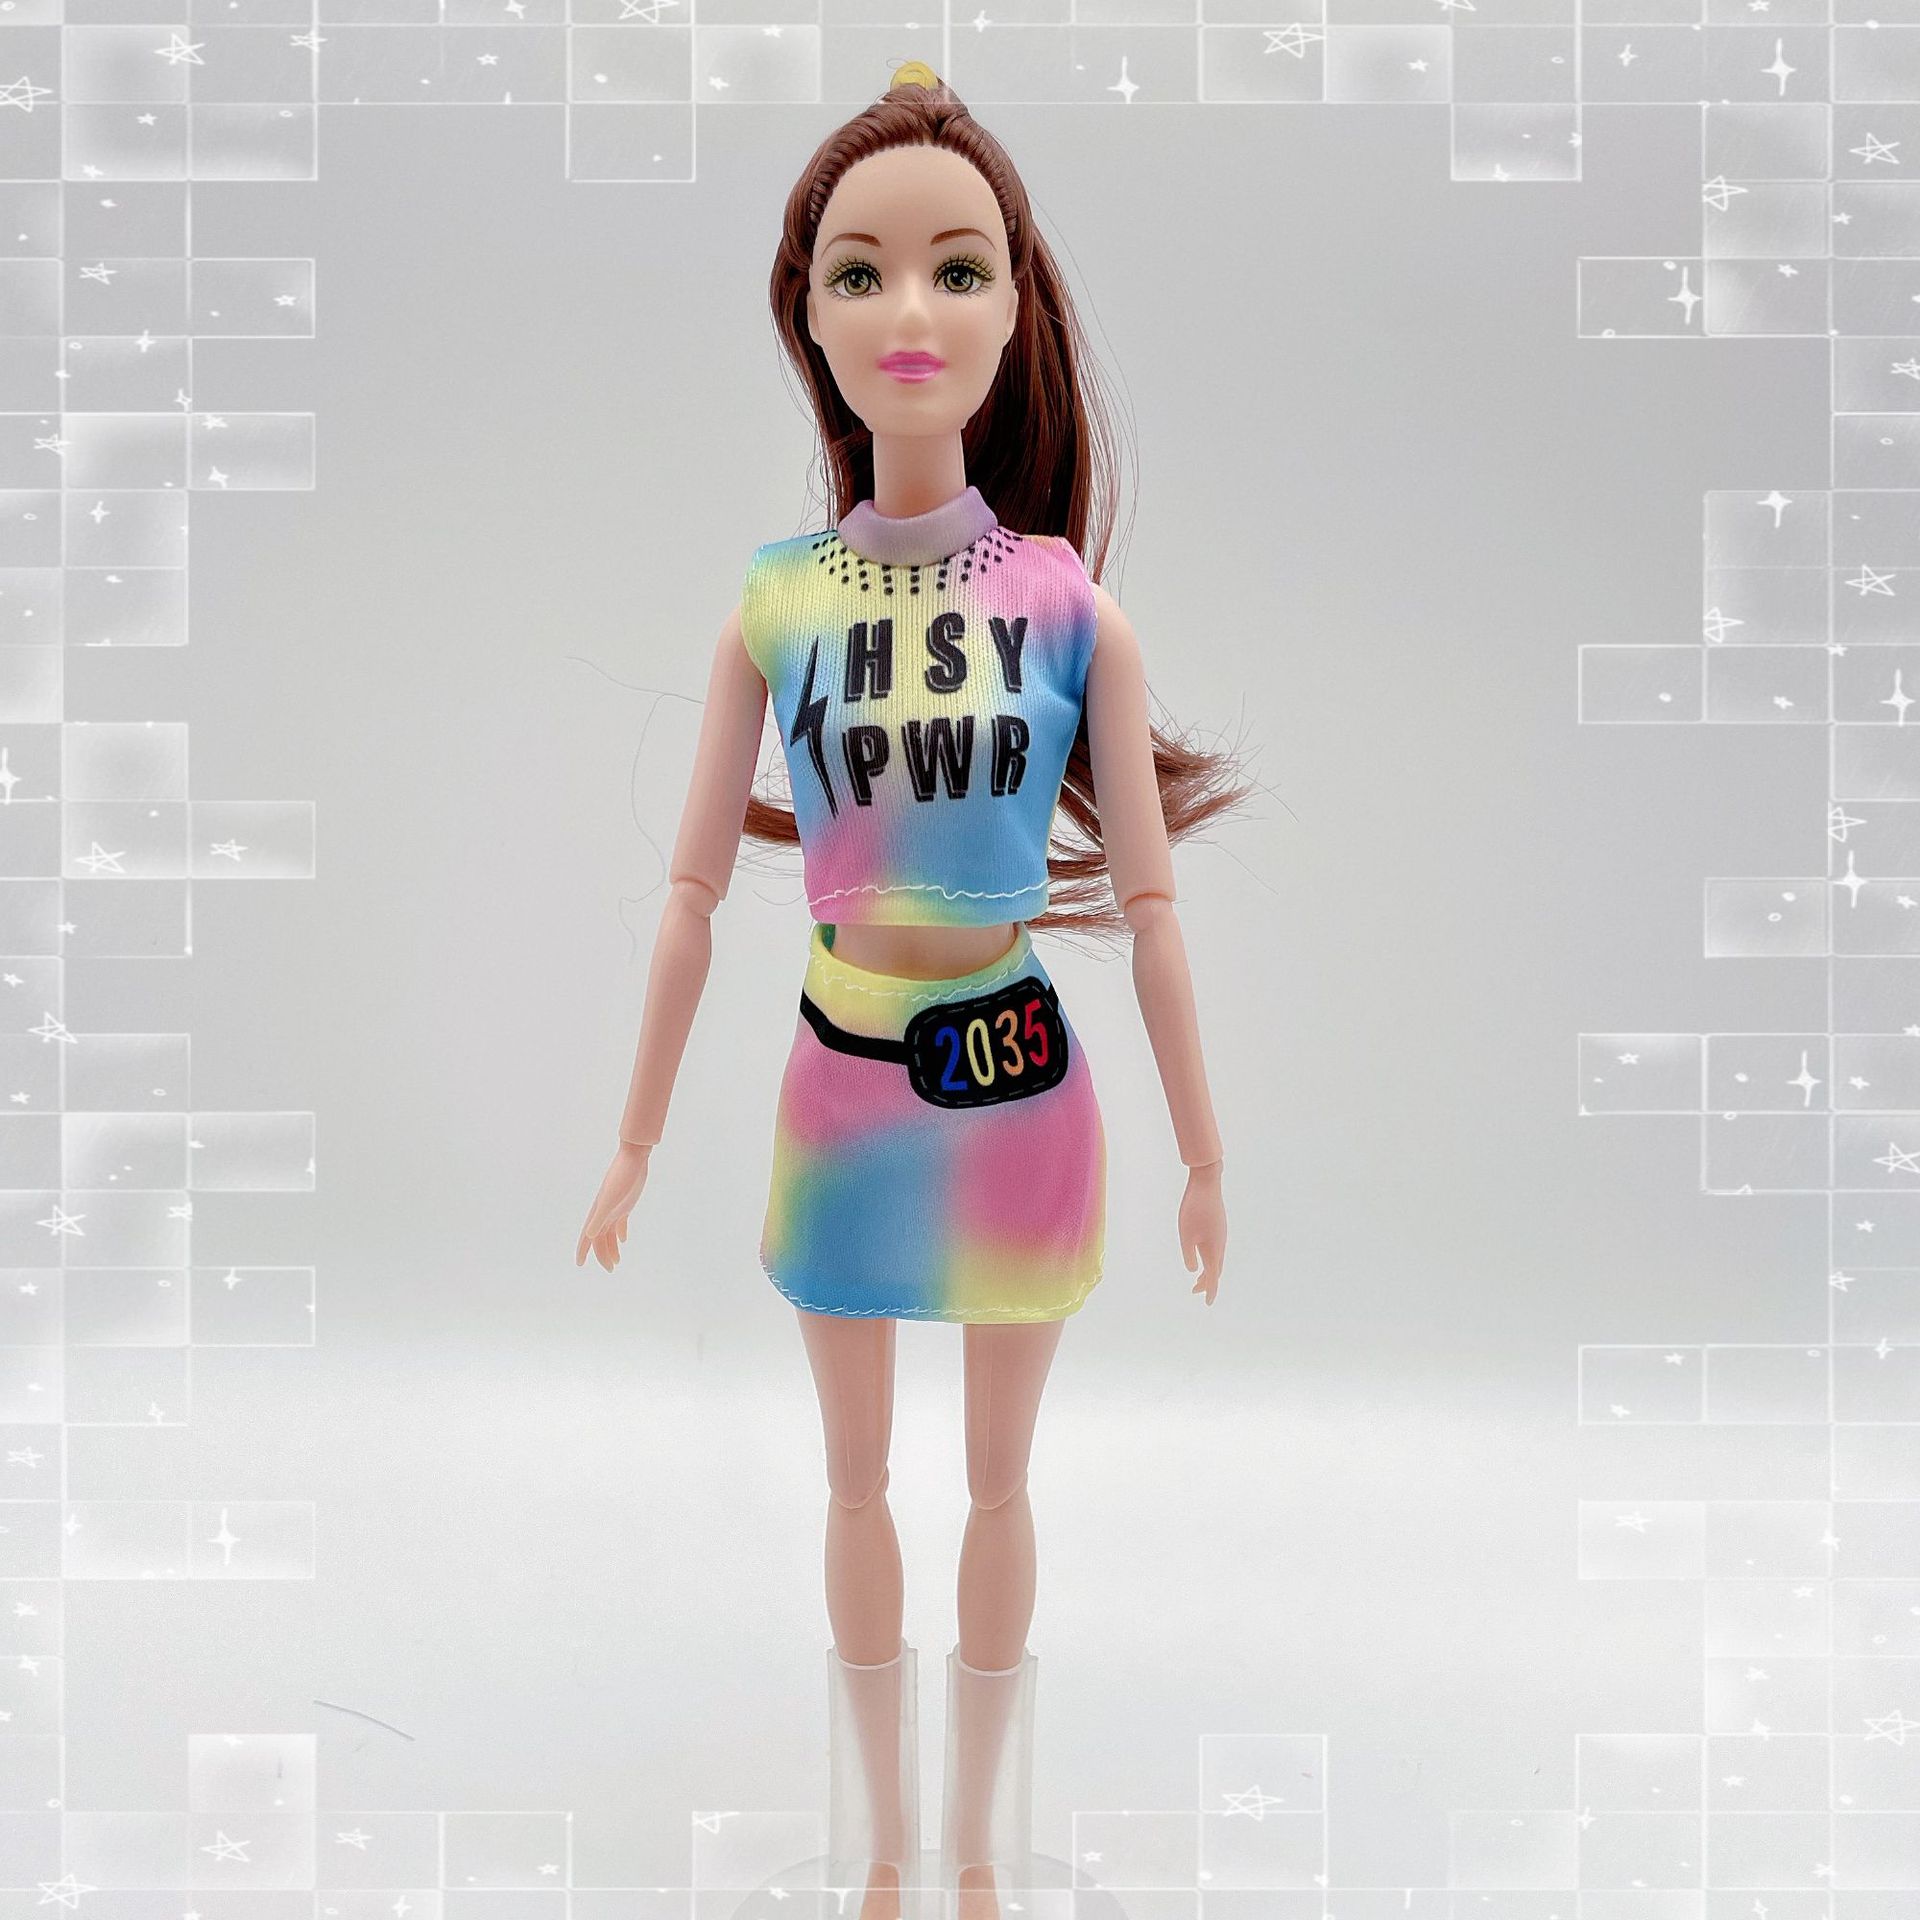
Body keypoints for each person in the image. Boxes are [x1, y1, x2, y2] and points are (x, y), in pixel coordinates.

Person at [576, 60, 1254, 1920]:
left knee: (1001, 1489)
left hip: (1022, 1101)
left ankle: (978, 1861)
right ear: (805, 312)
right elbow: (689, 898)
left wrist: (1206, 1155)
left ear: (1016, 308)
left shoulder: (1066, 607)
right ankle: (881, 1856)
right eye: (860, 272)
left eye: (959, 269)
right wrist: (635, 1139)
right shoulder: (777, 603)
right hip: (844, 1097)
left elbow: (1156, 911)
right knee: (859, 1487)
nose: (911, 311)